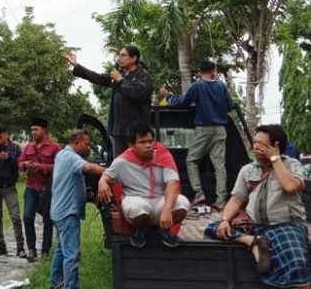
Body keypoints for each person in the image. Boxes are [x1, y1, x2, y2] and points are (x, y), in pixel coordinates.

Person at [204, 125, 310, 288]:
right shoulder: (247, 170)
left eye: (262, 144)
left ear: (275, 147)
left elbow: (290, 186)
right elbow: (236, 199)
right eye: (254, 142)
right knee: (215, 228)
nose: (256, 147)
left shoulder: (291, 164)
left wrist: (275, 160)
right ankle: (253, 241)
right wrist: (225, 219)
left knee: (297, 265)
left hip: (286, 225)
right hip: (256, 227)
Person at [97, 122, 190, 248]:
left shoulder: (163, 155)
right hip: (137, 201)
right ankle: (141, 231)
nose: (148, 146)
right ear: (131, 145)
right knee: (136, 208)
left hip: (160, 203)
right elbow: (106, 177)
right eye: (142, 142)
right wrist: (102, 183)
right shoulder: (122, 161)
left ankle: (164, 230)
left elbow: (172, 183)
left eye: (150, 141)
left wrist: (167, 210)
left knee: (183, 203)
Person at [160, 60, 233, 211]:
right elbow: (229, 106)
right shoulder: (221, 86)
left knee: (192, 161)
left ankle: (199, 193)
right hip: (220, 128)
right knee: (219, 165)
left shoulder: (198, 86)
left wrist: (168, 96)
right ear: (214, 71)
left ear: (200, 73)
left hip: (203, 128)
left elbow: (182, 103)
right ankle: (221, 200)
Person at [63, 45, 153, 157]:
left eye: (123, 55)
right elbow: (97, 77)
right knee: (120, 166)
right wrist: (76, 65)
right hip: (118, 131)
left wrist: (120, 80)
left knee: (138, 165)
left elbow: (138, 94)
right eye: (118, 56)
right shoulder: (121, 76)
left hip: (137, 133)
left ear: (134, 58)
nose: (119, 58)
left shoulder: (143, 76)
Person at [49, 129, 106, 289]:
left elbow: (70, 179)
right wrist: (110, 173)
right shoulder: (71, 157)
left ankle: (55, 283)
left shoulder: (61, 154)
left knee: (62, 250)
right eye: (86, 144)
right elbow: (88, 168)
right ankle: (70, 286)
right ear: (76, 142)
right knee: (72, 255)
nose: (89, 148)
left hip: (58, 211)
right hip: (67, 213)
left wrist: (86, 193)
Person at [18, 117, 62, 262]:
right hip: (31, 187)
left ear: (44, 130)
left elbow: (60, 167)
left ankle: (45, 249)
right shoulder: (28, 147)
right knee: (28, 216)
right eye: (31, 130)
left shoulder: (55, 147)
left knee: (47, 219)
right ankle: (31, 249)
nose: (33, 132)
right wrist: (25, 164)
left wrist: (40, 167)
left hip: (47, 189)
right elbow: (19, 163)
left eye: (36, 129)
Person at [0, 126, 26, 258]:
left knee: (15, 216)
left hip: (9, 186)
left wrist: (8, 158)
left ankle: (20, 247)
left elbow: (19, 165)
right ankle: (1, 245)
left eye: (0, 137)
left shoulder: (15, 148)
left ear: (6, 135)